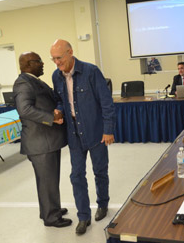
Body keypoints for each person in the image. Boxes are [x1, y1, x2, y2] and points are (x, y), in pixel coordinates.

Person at [51, 39, 116, 235]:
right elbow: (59, 100)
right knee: (76, 175)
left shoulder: (91, 71)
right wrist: (58, 110)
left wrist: (108, 129)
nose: (57, 63)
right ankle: (83, 216)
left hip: (95, 131)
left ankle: (103, 204)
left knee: (100, 171)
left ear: (70, 52)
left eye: (59, 58)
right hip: (73, 134)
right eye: (53, 59)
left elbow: (106, 102)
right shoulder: (56, 76)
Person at [13, 52, 71, 228]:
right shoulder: (23, 83)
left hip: (47, 140)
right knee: (47, 181)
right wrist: (51, 117)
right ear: (28, 64)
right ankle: (51, 217)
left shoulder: (34, 80)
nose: (43, 63)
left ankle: (50, 209)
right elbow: (25, 110)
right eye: (39, 61)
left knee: (50, 179)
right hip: (40, 142)